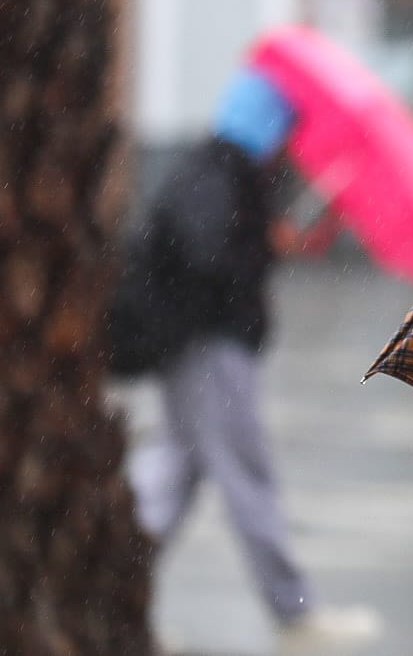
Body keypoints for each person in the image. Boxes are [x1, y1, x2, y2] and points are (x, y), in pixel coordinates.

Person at [122, 68, 377, 651]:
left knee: (172, 476)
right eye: (286, 128)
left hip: (195, 347)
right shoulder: (222, 176)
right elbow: (209, 258)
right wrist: (266, 246)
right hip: (210, 350)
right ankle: (295, 611)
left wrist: (269, 241)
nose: (290, 141)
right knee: (245, 476)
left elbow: (208, 249)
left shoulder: (216, 172)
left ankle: (109, 589)